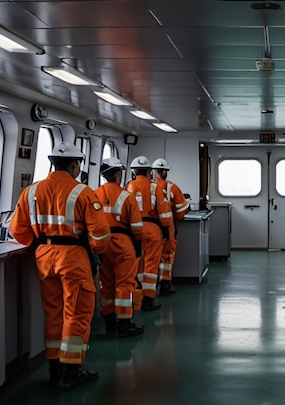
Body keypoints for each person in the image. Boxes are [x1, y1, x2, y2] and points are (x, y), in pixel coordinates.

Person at [10, 141, 111, 390]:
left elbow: (17, 231)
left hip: (44, 258)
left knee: (54, 312)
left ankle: (55, 369)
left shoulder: (31, 192)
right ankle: (71, 370)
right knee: (76, 313)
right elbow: (99, 236)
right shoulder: (83, 192)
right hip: (73, 258)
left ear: (53, 163)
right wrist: (96, 251)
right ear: (75, 165)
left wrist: (39, 244)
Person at [94, 157, 145, 338]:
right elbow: (137, 228)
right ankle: (125, 324)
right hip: (123, 244)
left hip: (102, 243)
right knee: (125, 284)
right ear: (118, 174)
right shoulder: (126, 197)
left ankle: (110, 322)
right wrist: (138, 245)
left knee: (106, 284)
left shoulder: (94, 194)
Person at [125, 155, 173, 311]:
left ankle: (136, 297)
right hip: (153, 230)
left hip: (133, 230)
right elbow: (165, 214)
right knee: (151, 265)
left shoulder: (128, 187)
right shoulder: (155, 188)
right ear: (148, 172)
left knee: (137, 263)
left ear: (133, 172)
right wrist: (166, 231)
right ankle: (148, 299)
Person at [151, 158, 190, 295]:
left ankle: (148, 289)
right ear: (165, 172)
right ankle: (166, 284)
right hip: (168, 227)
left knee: (149, 258)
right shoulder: (171, 187)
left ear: (152, 171)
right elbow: (182, 210)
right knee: (167, 257)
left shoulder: (146, 187)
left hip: (148, 229)